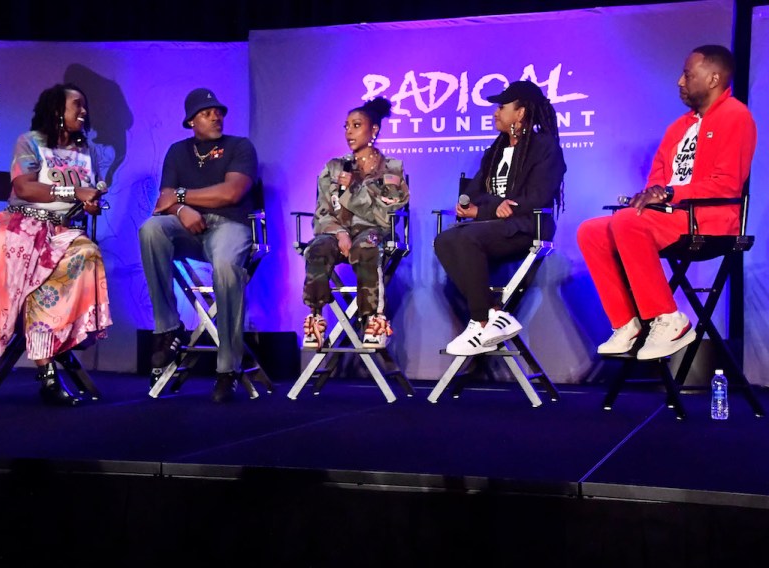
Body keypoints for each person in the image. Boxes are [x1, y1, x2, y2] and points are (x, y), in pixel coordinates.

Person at [576, 45, 757, 361]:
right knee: (591, 231)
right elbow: (657, 182)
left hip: (711, 220)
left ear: (714, 78)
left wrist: (672, 195)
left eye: (688, 75)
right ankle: (627, 324)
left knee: (628, 221)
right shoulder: (678, 128)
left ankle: (669, 319)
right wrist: (651, 197)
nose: (679, 82)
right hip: (671, 218)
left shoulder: (736, 116)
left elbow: (727, 183)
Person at [0, 83, 111, 406]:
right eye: (77, 104)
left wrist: (89, 202)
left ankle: (55, 344)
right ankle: (48, 374)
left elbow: (89, 192)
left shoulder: (86, 151)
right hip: (19, 227)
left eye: (84, 105)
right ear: (57, 111)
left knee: (87, 254)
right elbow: (24, 187)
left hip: (61, 231)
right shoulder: (29, 142)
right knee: (37, 277)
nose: (84, 111)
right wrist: (73, 193)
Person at [139, 88, 258, 403]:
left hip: (230, 225)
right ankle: (168, 328)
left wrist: (179, 197)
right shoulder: (178, 151)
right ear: (191, 121)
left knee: (225, 268)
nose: (216, 116)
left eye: (218, 111)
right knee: (151, 230)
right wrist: (180, 210)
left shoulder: (240, 147)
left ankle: (227, 368)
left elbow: (231, 193)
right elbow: (161, 205)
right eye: (207, 113)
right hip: (188, 230)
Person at [434, 80, 566, 355]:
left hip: (528, 227)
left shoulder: (545, 147)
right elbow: (473, 194)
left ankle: (481, 319)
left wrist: (485, 210)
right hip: (495, 226)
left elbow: (537, 197)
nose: (496, 113)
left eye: (502, 106)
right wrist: (485, 207)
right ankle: (493, 314)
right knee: (444, 240)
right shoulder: (495, 150)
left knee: (467, 237)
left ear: (520, 113)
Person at [302, 97, 410, 350]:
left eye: (356, 125)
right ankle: (316, 316)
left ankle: (373, 319)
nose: (349, 131)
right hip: (337, 232)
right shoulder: (333, 168)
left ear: (374, 130)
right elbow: (322, 212)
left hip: (372, 232)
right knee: (317, 248)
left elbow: (384, 215)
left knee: (367, 247)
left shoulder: (391, 169)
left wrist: (353, 189)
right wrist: (339, 232)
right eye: (346, 126)